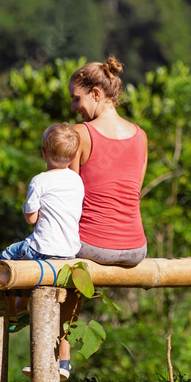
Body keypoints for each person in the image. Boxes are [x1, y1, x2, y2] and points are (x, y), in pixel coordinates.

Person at [0, 122, 83, 381]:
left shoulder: (40, 180)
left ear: (43, 153)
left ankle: (14, 311)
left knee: (5, 259)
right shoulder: (77, 181)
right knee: (64, 314)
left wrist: (30, 205)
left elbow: (31, 218)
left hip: (41, 249)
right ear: (73, 155)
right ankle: (63, 364)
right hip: (70, 253)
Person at [68, 56, 148, 266]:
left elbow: (66, 197)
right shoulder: (141, 135)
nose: (73, 107)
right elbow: (133, 193)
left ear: (95, 93)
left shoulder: (79, 134)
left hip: (92, 245)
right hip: (137, 249)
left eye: (76, 98)